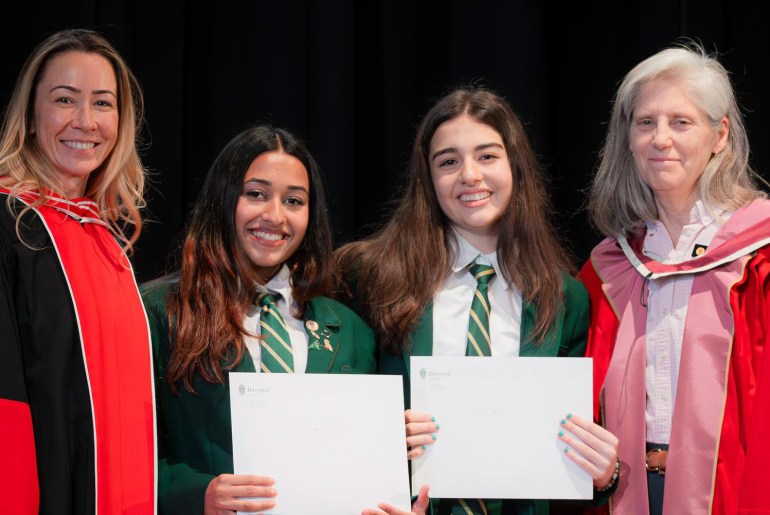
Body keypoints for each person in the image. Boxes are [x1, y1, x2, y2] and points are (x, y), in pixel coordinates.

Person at [336, 86, 619, 515]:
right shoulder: (370, 276)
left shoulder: (564, 299)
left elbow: (566, 461)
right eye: (448, 162)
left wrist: (603, 475)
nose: (469, 175)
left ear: (516, 168)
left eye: (487, 156)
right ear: (428, 180)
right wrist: (379, 440)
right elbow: (332, 417)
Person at [142, 124, 428, 515]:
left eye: (294, 201)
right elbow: (122, 451)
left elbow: (362, 460)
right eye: (256, 194)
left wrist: (392, 500)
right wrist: (197, 494)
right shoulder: (160, 311)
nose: (274, 216)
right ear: (223, 199)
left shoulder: (351, 331)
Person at [580, 41, 770, 515]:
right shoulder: (612, 266)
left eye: (680, 122)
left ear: (720, 135)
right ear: (628, 138)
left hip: (736, 493)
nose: (660, 138)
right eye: (645, 123)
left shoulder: (760, 258)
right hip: (624, 493)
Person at [0, 29, 154, 514]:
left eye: (102, 104)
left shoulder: (105, 240)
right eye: (64, 100)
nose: (85, 122)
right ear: (29, 116)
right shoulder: (9, 225)